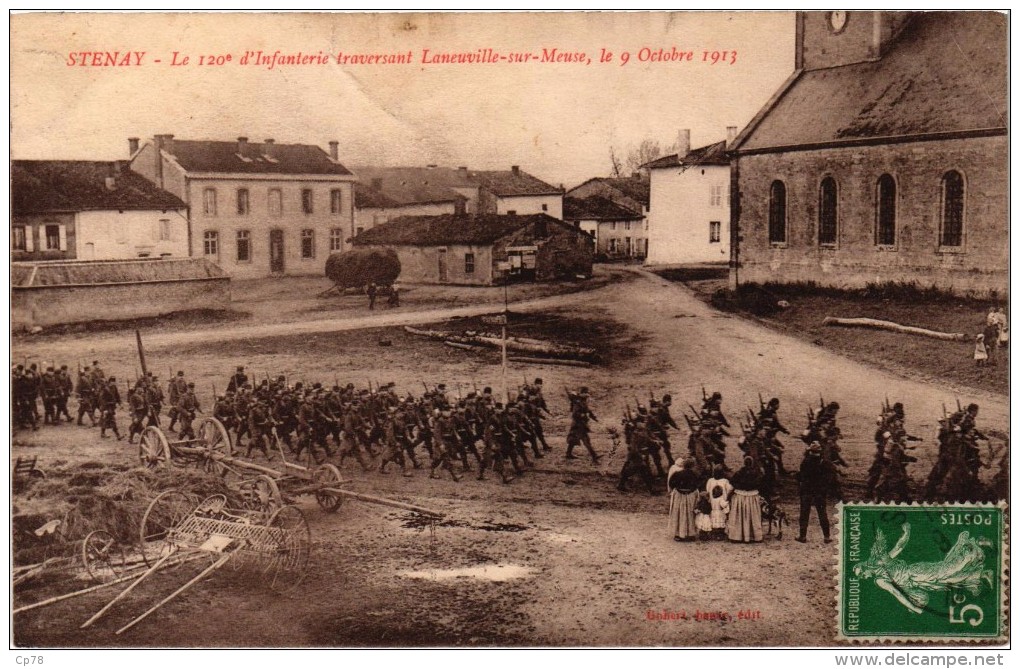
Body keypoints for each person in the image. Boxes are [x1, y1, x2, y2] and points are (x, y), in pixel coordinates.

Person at [796, 442, 832, 543]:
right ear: (820, 452)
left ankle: (802, 536)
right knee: (822, 513)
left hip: (807, 491)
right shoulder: (824, 463)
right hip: (819, 492)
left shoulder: (805, 462)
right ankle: (827, 536)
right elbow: (828, 478)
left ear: (810, 451)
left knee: (804, 514)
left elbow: (801, 476)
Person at [727, 457, 764, 543]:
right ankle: (753, 535)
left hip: (740, 496)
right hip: (752, 496)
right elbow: (760, 483)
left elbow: (732, 481)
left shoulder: (739, 472)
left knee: (739, 516)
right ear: (751, 463)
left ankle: (738, 536)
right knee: (752, 516)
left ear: (744, 463)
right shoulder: (756, 473)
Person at [667, 458, 701, 542]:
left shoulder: (677, 474)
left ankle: (678, 534)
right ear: (692, 466)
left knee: (678, 514)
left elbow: (671, 483)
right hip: (690, 496)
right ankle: (690, 533)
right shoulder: (695, 474)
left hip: (679, 495)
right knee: (689, 514)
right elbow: (698, 484)